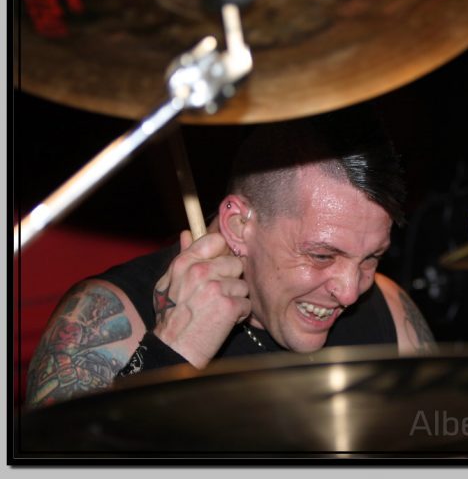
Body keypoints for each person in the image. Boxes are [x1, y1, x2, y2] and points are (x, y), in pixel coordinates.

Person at [25, 110, 435, 408]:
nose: (349, 291)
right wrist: (170, 353)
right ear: (239, 225)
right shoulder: (103, 319)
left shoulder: (390, 309)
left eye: (371, 259)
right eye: (322, 255)